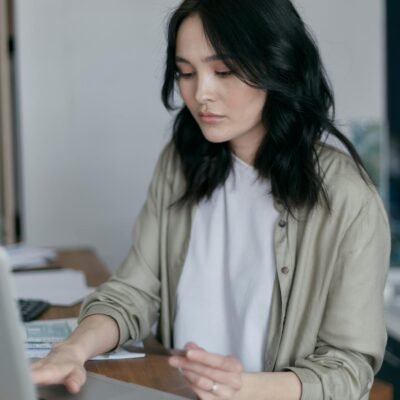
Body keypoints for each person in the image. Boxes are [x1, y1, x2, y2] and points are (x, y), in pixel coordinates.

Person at [32, 0, 390, 399]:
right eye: (186, 72)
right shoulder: (181, 162)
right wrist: (72, 349)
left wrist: (243, 390)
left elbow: (349, 366)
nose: (201, 92)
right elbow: (136, 290)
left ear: (277, 65)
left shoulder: (347, 199)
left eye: (224, 71)